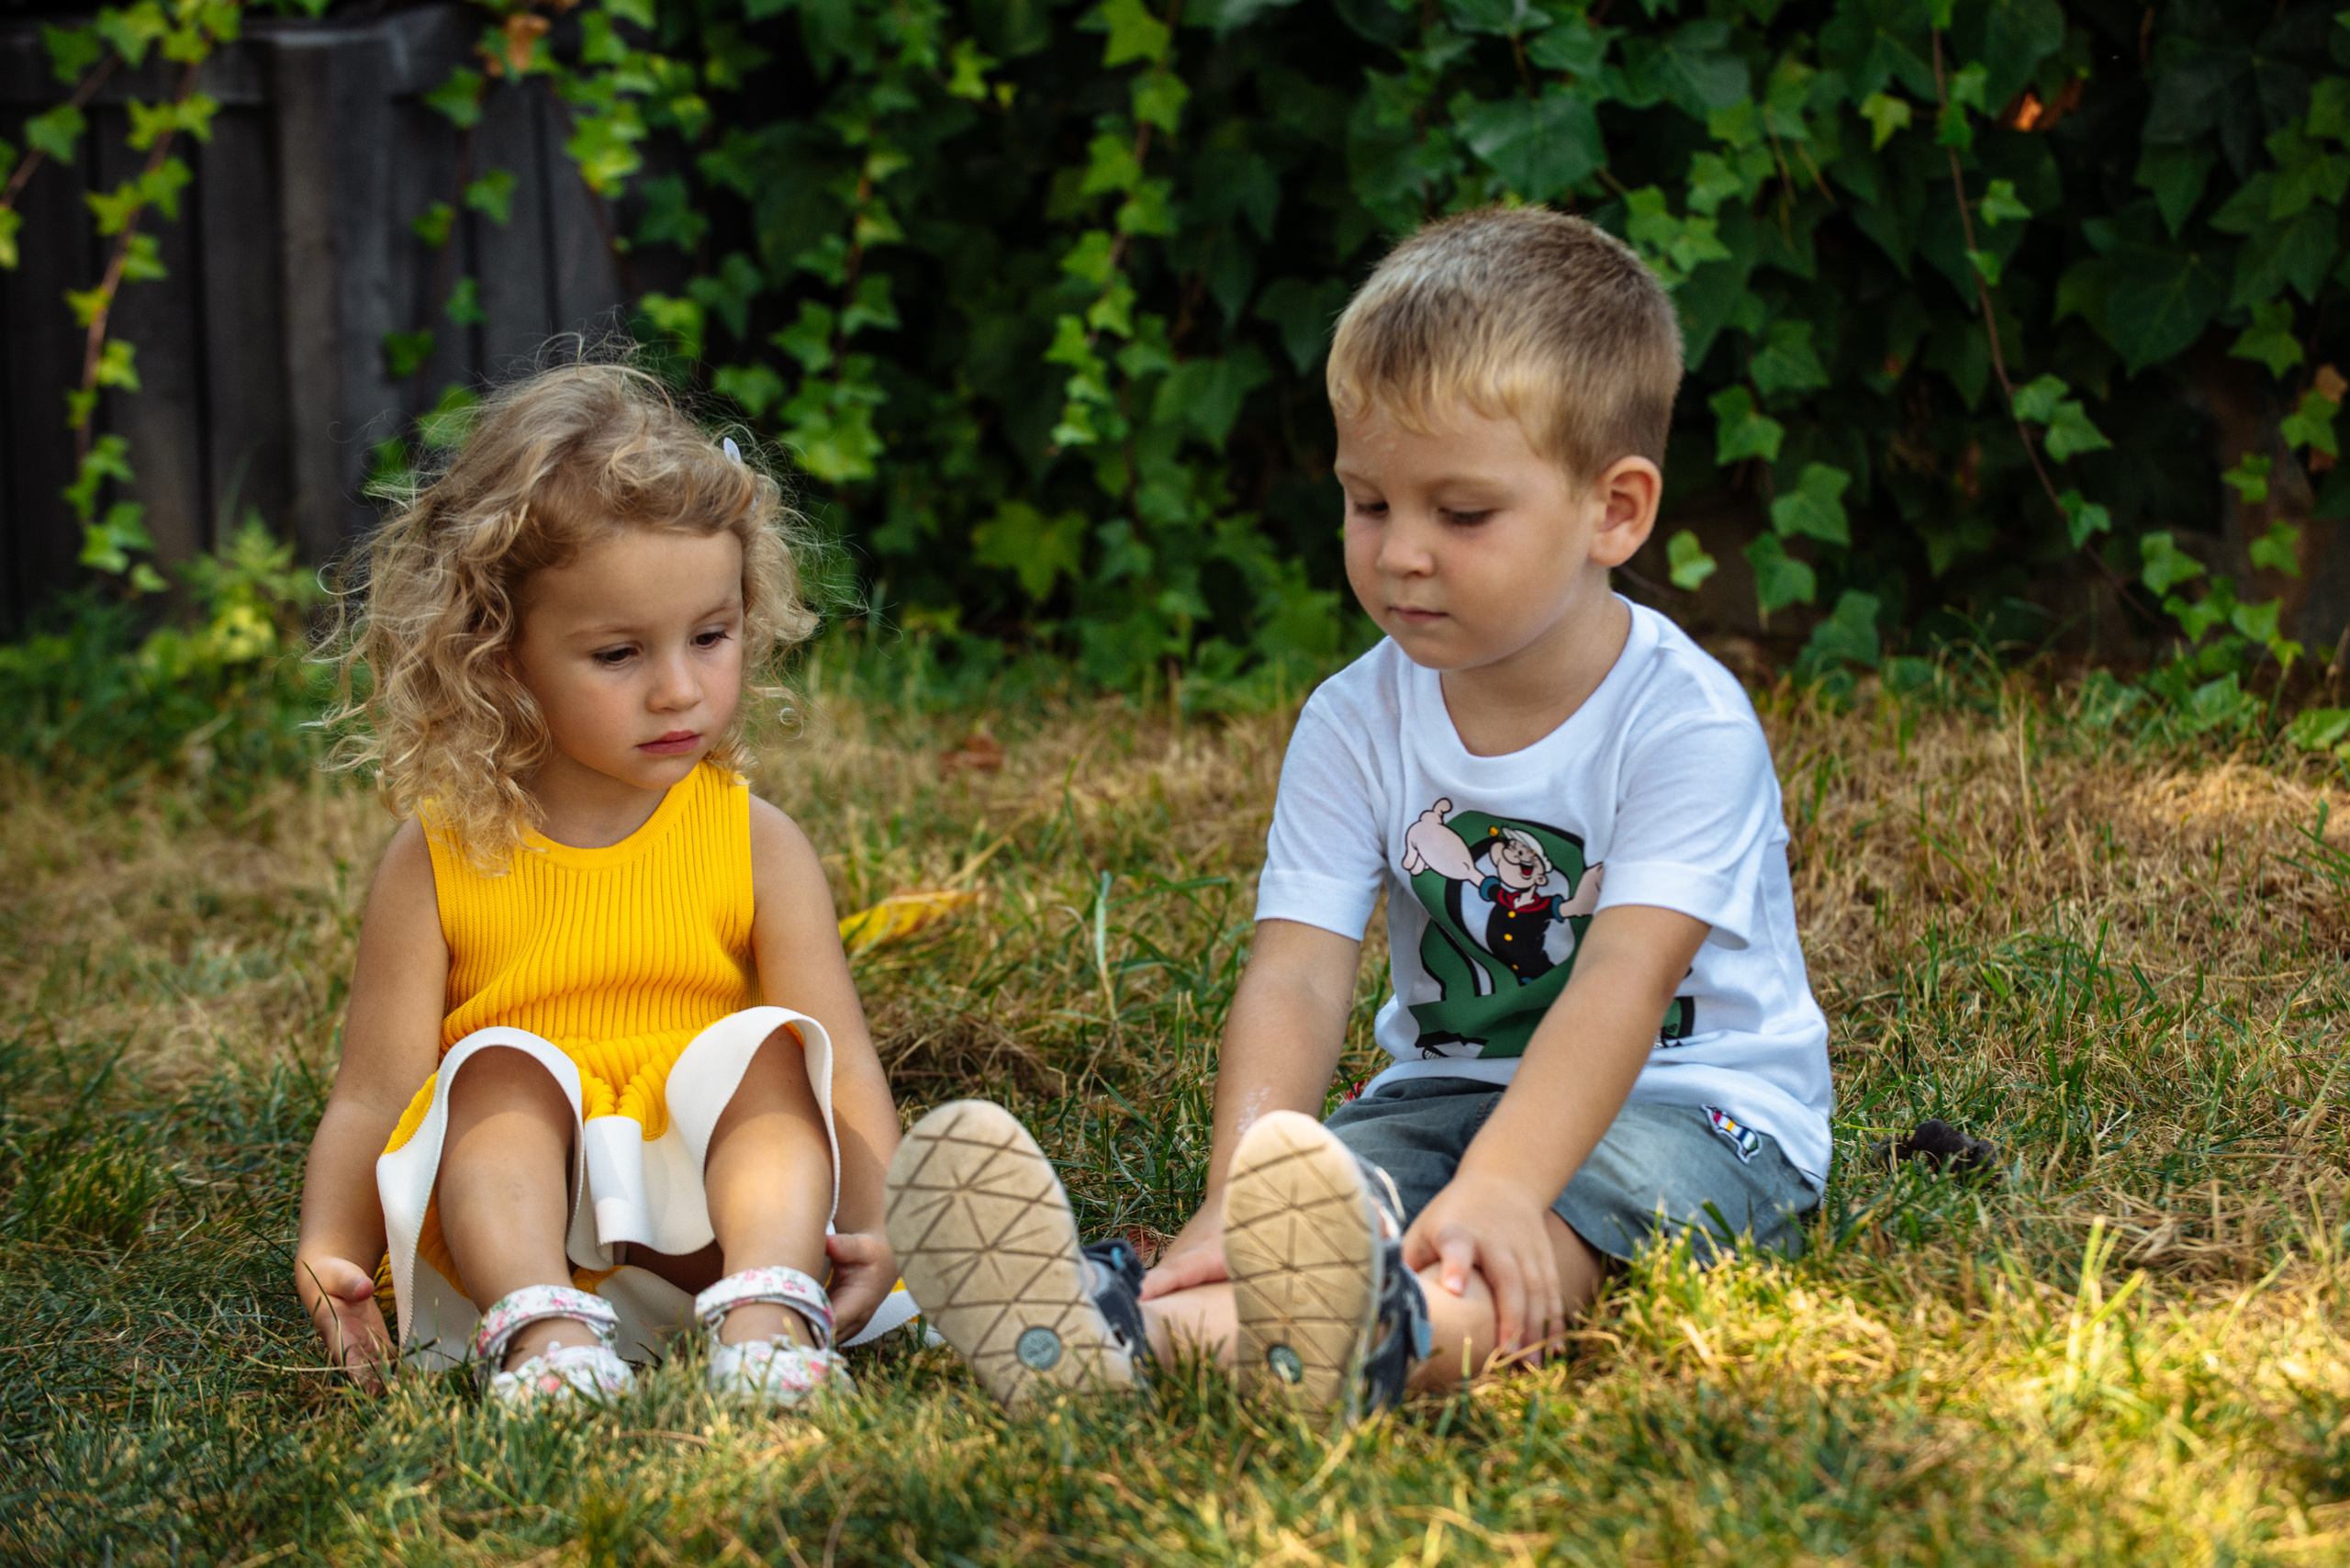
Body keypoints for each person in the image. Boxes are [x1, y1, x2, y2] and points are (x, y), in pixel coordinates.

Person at [883, 207, 1831, 1417]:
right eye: (1368, 503)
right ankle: (1113, 1330)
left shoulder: (1682, 724)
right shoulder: (1354, 718)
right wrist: (1235, 1189)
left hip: (1693, 1105)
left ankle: (1376, 1338)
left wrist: (1501, 1186)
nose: (1400, 554)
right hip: (1443, 1093)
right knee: (1325, 1199)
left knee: (1532, 1234)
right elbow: (1296, 975)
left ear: (1615, 510)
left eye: (1461, 514)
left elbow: (1621, 982)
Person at [294, 363, 914, 1408]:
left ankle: (769, 1331)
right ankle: (546, 1346)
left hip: (718, 1241)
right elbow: (374, 1092)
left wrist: (887, 1226)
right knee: (494, 1073)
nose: (678, 689)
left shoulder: (754, 840)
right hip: (513, 1243)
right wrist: (329, 1249)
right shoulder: (439, 856)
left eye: (710, 637)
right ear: (499, 655)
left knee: (768, 1056)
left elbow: (843, 1065)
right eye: (620, 653)